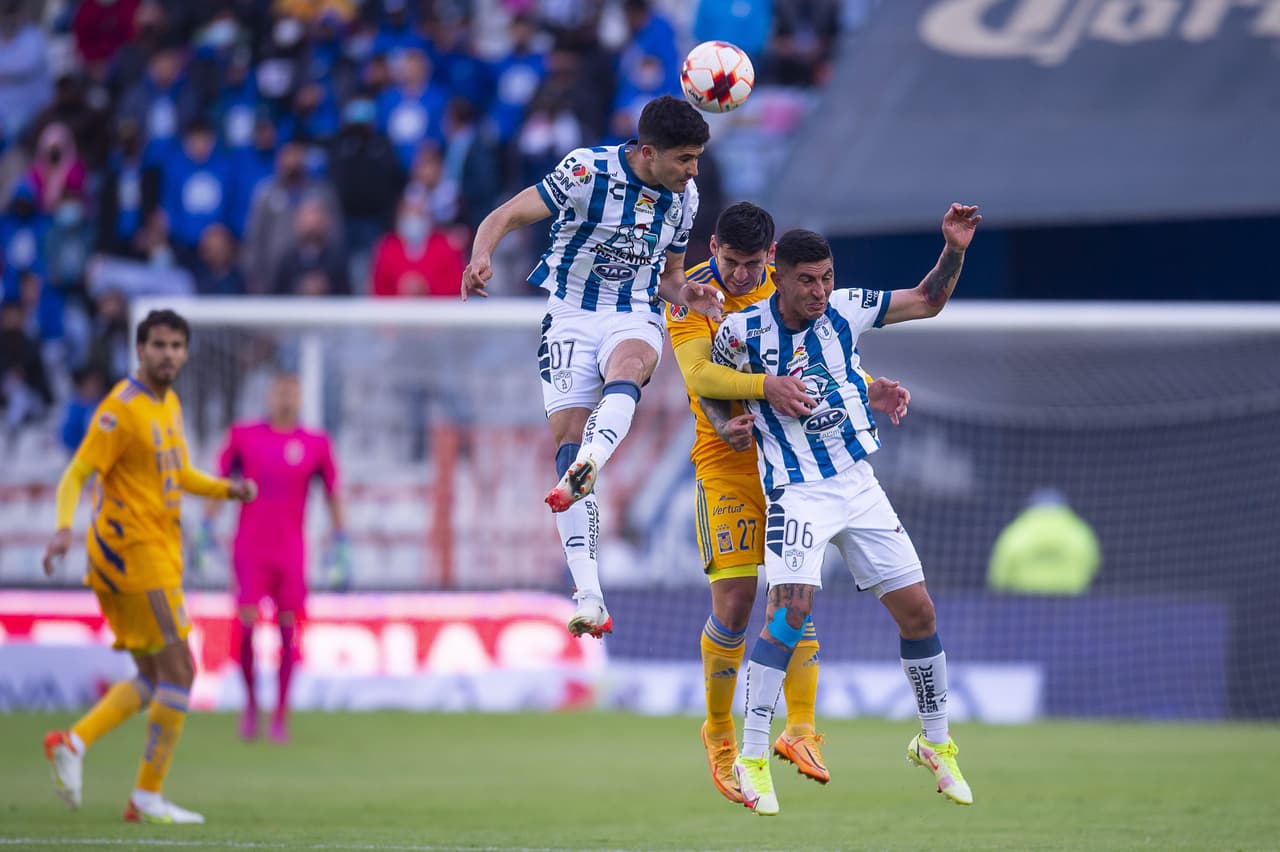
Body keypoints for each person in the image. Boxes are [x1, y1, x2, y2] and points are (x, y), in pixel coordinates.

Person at [709, 205, 982, 815]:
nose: (820, 290)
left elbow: (928, 300)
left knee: (919, 611)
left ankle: (935, 743)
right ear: (776, 276)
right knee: (789, 613)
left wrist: (954, 250)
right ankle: (753, 757)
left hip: (859, 485)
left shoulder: (848, 308)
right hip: (797, 492)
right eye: (807, 279)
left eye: (827, 276)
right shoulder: (741, 333)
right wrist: (728, 423)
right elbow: (708, 386)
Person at [667, 202, 911, 804]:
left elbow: (827, 356)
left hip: (793, 470)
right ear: (715, 246)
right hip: (726, 469)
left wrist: (867, 386)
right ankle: (720, 733)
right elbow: (699, 376)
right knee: (735, 602)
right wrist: (761, 389)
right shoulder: (690, 295)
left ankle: (800, 728)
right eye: (732, 262)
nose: (744, 277)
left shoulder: (792, 286)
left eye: (754, 265)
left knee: (791, 596)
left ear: (771, 257)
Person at [461, 95, 725, 638]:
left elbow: (670, 276)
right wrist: (481, 255)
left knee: (631, 364)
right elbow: (504, 214)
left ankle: (593, 463)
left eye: (698, 157)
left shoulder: (684, 196)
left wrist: (688, 293)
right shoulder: (586, 170)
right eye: (684, 159)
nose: (694, 170)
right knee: (566, 442)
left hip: (632, 311)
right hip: (571, 315)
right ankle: (590, 596)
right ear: (648, 152)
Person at [41, 309, 257, 824]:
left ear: (185, 353)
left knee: (151, 675)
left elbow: (177, 472)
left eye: (177, 346)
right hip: (133, 556)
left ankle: (72, 741)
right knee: (181, 670)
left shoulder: (170, 404)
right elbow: (76, 474)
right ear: (140, 350)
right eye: (158, 345)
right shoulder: (120, 410)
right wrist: (63, 527)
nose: (168, 355)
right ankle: (146, 795)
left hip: (152, 553)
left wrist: (228, 489)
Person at [209, 373, 345, 743]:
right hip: (250, 549)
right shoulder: (244, 436)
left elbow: (333, 493)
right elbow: (219, 482)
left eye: (292, 392)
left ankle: (280, 715)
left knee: (289, 631)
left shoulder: (315, 443)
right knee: (246, 627)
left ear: (300, 397)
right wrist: (206, 525)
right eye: (279, 391)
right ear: (269, 395)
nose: (285, 398)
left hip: (290, 552)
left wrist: (342, 539)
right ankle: (252, 705)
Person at [988, 487, 1100, 595]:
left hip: (1024, 602)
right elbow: (1094, 564)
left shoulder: (1017, 530)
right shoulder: (1078, 530)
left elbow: (1000, 572)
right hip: (1070, 600)